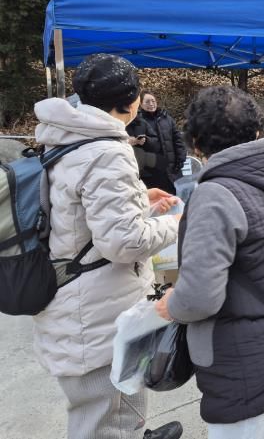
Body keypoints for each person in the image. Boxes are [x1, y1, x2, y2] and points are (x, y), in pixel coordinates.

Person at [153, 86, 264, 439]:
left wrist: (172, 304)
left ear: (196, 145)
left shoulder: (215, 195)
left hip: (244, 362)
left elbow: (199, 298)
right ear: (258, 132)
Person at [32, 54, 182, 439]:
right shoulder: (106, 150)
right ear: (131, 102)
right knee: (104, 417)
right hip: (93, 314)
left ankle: (136, 432)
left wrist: (139, 200)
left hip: (78, 297)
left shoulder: (69, 135)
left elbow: (75, 214)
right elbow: (124, 242)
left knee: (119, 403)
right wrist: (177, 224)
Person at [127, 91, 186, 194]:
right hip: (151, 172)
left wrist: (180, 159)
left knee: (177, 197)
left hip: (172, 168)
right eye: (147, 102)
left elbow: (178, 140)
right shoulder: (137, 122)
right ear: (140, 104)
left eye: (153, 101)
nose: (151, 104)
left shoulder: (166, 118)